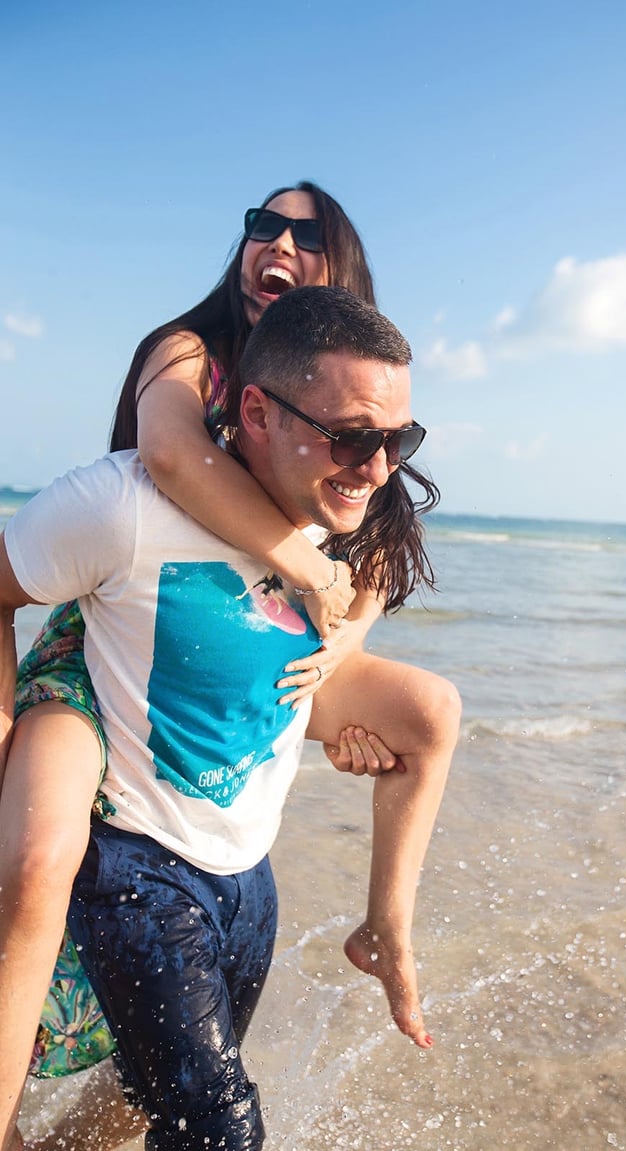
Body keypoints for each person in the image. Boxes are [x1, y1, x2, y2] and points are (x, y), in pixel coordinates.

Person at [0, 186, 460, 1148]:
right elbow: (168, 452)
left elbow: (368, 572)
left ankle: (388, 930)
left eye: (307, 238)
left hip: (240, 832)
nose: (280, 245)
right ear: (257, 404)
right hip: (98, 651)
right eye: (265, 227)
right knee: (39, 862)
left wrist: (340, 658)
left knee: (428, 712)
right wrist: (300, 568)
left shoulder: (347, 461)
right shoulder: (188, 360)